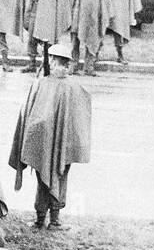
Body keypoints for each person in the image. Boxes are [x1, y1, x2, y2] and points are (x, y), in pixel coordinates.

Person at [9, 38, 92, 230]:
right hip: (61, 145)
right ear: (68, 64)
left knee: (43, 178)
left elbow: (30, 114)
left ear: (54, 61)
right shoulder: (74, 87)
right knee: (60, 177)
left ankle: (42, 219)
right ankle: (53, 220)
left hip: (44, 144)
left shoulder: (42, 85)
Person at [19, 0, 72, 75]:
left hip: (48, 17)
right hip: (34, 13)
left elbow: (62, 2)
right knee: (31, 40)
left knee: (48, 42)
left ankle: (48, 64)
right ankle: (32, 63)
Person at [65, 0, 112, 76]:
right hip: (76, 17)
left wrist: (104, 13)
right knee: (75, 43)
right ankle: (73, 65)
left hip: (92, 18)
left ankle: (89, 66)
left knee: (92, 40)